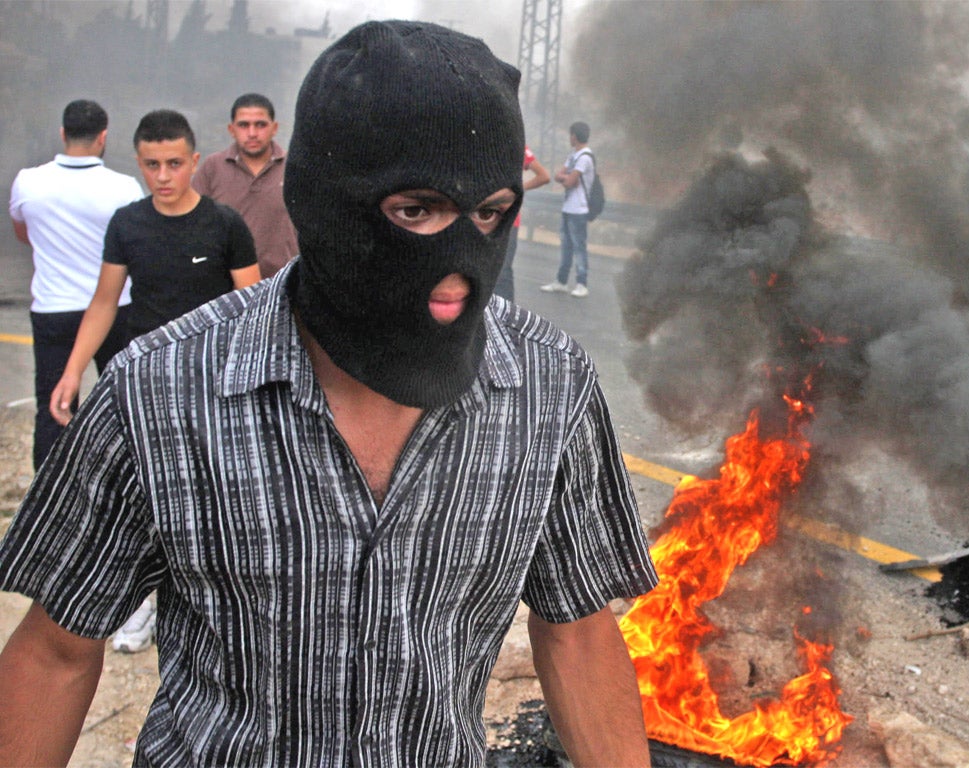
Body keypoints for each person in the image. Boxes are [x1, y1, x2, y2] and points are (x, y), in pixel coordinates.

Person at [0, 21, 658, 768]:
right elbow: (55, 653)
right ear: (324, 203)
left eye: (487, 214)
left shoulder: (549, 387)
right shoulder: (162, 392)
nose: (457, 267)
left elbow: (577, 633)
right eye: (416, 211)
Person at [47, 108, 260, 655]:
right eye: (151, 165)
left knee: (213, 498)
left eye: (173, 163)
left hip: (213, 385)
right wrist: (72, 371)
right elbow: (103, 302)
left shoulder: (224, 226)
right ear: (138, 163)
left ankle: (216, 609)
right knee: (145, 497)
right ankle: (140, 605)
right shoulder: (128, 224)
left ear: (194, 161)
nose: (163, 176)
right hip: (145, 380)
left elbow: (252, 306)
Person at [8, 99, 144, 470]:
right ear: (103, 137)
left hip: (54, 307)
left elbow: (25, 234)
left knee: (54, 405)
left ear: (63, 134)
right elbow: (132, 245)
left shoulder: (28, 182)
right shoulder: (124, 188)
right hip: (115, 307)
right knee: (122, 403)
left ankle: (48, 494)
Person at [192, 93, 298, 278]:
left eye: (260, 124)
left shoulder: (294, 167)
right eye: (243, 125)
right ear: (231, 129)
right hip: (224, 287)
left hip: (283, 285)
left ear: (274, 128)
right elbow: (192, 222)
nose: (252, 133)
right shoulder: (213, 167)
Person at [540, 121, 595, 298]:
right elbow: (560, 176)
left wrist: (567, 179)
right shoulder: (573, 155)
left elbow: (570, 182)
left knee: (579, 247)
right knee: (566, 247)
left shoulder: (585, 157)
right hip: (568, 207)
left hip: (579, 210)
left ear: (575, 136)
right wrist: (568, 178)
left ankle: (582, 283)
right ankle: (561, 282)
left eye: (571, 135)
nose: (569, 138)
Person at [493, 144, 549, 302]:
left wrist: (519, 189)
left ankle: (506, 317)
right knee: (495, 268)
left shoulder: (517, 145)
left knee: (502, 269)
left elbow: (543, 176)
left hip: (504, 217)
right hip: (493, 217)